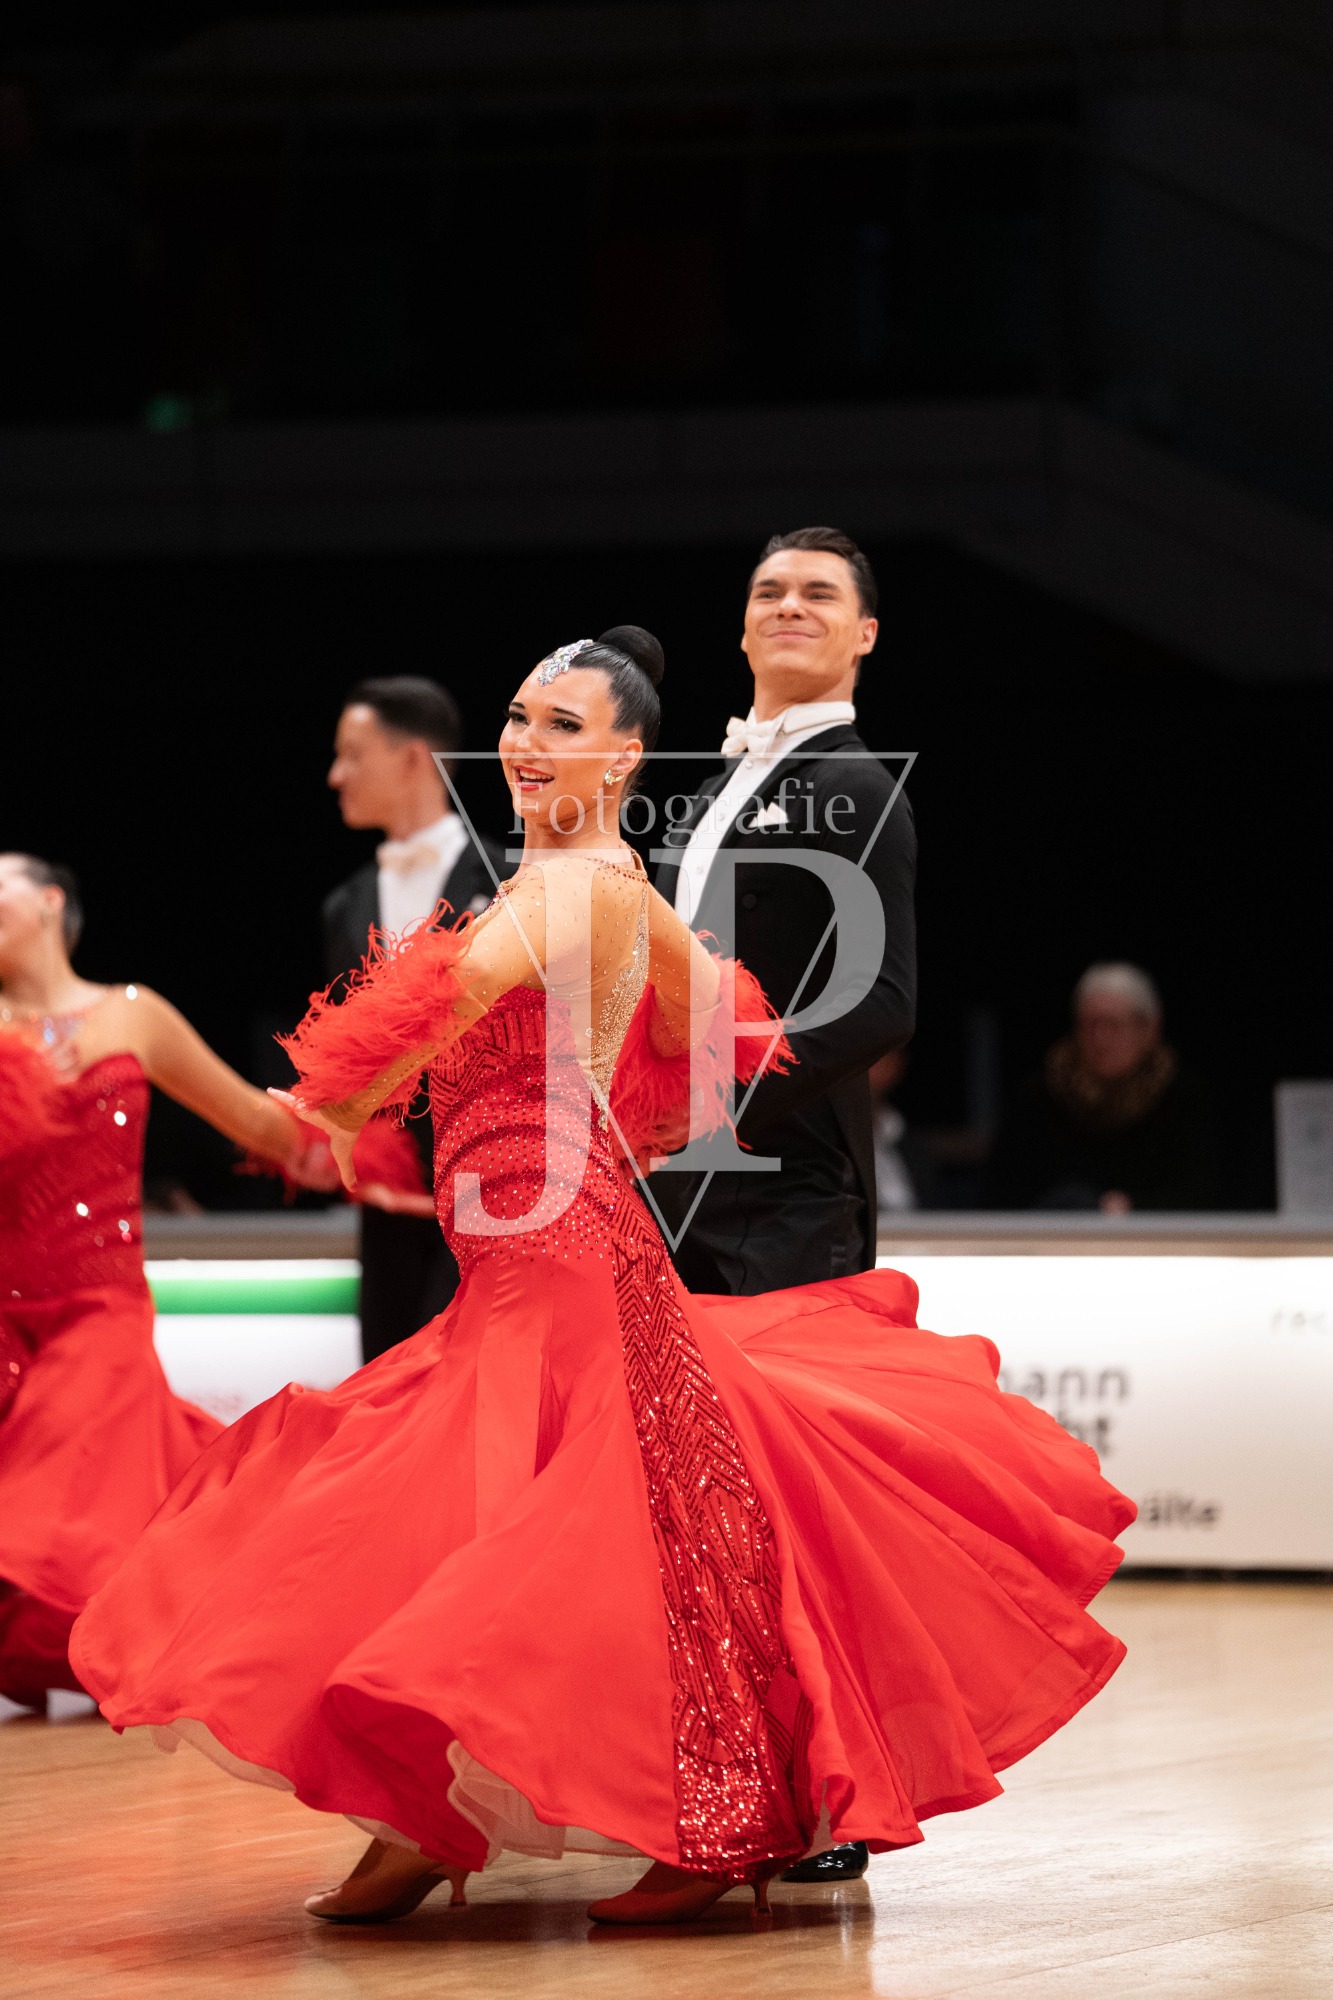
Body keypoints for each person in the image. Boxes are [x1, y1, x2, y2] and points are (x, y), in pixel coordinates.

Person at [72, 629, 1132, 1931]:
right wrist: (607, 1106)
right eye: (520, 716)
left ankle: (676, 1817)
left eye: (562, 725)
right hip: (527, 1257)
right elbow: (722, 1024)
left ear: (626, 755)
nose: (526, 742)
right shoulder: (593, 887)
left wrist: (340, 1101)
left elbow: (440, 1009)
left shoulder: (571, 890)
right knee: (483, 1536)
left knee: (581, 1546)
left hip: (564, 1270)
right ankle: (430, 1815)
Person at [652, 525, 916, 1883]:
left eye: (819, 592)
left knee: (799, 1511)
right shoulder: (710, 788)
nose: (790, 605)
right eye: (769, 590)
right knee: (707, 1508)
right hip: (687, 1194)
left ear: (864, 633)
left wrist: (724, 1092)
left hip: (792, 1196)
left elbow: (881, 1003)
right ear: (743, 625)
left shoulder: (856, 783)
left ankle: (843, 1797)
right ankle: (737, 1775)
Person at [0, 853, 333, 1712]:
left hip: (98, 1308)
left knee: (52, 1497)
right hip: (5, 1316)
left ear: (50, 901)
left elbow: (247, 1114)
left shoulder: (131, 1013)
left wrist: (342, 1143)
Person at [324, 677, 506, 1362]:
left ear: (411, 758)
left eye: (353, 754)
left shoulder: (513, 879)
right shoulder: (345, 906)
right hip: (388, 1208)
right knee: (382, 1380)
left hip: (498, 1197)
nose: (336, 775)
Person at [984, 963, 1219, 1212]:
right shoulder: (1041, 1094)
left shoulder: (1184, 1097)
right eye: (1089, 1024)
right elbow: (1001, 1195)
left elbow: (1203, 1194)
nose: (1100, 1038)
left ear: (1149, 1028)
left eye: (1113, 1025)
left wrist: (1131, 1208)